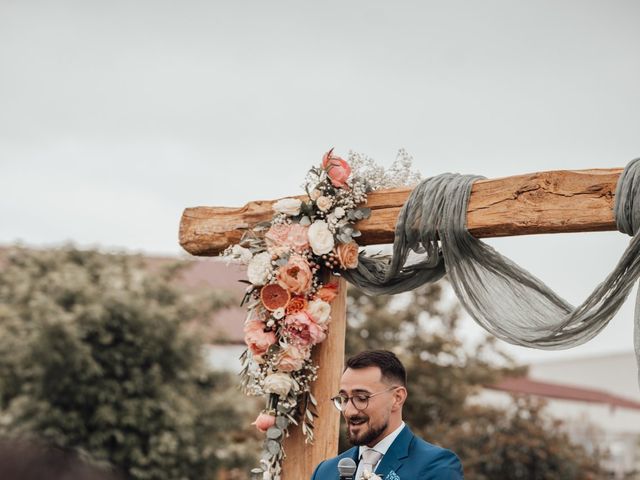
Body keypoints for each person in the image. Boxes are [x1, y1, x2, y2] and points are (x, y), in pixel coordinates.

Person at [311, 350, 463, 480]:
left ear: (397, 398)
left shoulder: (437, 466)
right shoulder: (324, 472)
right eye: (344, 399)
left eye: (362, 398)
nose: (349, 411)